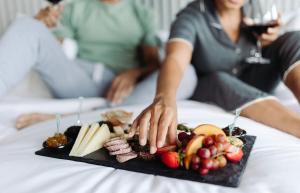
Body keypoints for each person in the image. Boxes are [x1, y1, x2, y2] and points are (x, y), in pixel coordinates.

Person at [130, 0, 300, 154]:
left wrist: (271, 39)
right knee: (219, 78)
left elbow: (275, 40)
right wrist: (163, 97)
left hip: (257, 77)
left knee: (293, 38)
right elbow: (175, 57)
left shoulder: (256, 9)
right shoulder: (192, 16)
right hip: (215, 86)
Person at [0, 0, 196, 129]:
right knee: (27, 26)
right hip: (82, 80)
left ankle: (76, 119)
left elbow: (154, 64)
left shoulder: (142, 13)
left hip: (126, 92)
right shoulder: (75, 7)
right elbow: (52, 49)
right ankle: (94, 117)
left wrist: (133, 74)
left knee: (187, 72)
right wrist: (40, 25)